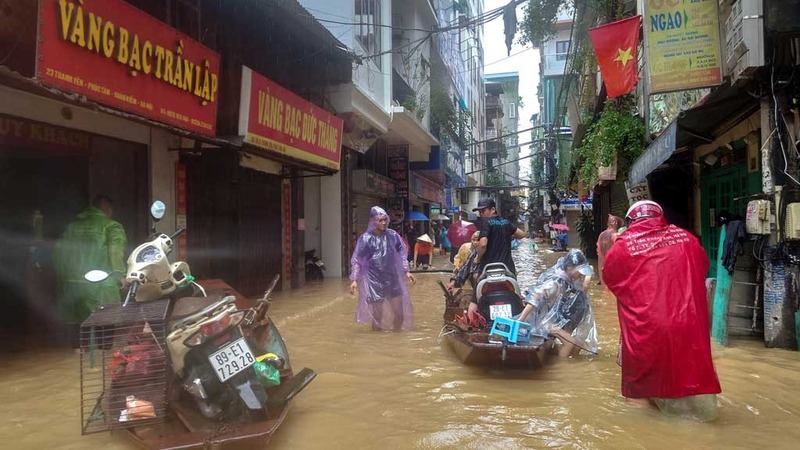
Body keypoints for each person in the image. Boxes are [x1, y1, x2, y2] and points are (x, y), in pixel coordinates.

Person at [603, 200, 721, 420]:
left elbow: (611, 280)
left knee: (640, 389)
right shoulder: (687, 239)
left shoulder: (622, 245)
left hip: (646, 328)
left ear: (631, 221)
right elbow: (702, 268)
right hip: (689, 324)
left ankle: (645, 436)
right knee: (691, 379)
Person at [53, 195, 128, 349]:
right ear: (108, 209)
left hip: (73, 284)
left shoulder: (72, 227)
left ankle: (77, 353)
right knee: (106, 318)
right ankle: (103, 352)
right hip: (101, 283)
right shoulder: (111, 226)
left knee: (78, 321)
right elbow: (115, 251)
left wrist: (64, 277)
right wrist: (120, 275)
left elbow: (59, 252)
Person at [517, 249, 598, 358]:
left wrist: (588, 275)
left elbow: (584, 290)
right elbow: (534, 297)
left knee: (578, 343)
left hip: (554, 320)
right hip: (543, 322)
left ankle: (566, 360)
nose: (581, 274)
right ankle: (561, 368)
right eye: (580, 270)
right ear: (569, 267)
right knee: (570, 342)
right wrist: (520, 320)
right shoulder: (555, 282)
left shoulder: (569, 279)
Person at [349, 207, 416, 331]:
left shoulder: (393, 235)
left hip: (392, 279)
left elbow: (402, 252)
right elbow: (358, 260)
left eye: (385, 219)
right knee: (377, 318)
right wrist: (354, 279)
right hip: (375, 281)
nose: (384, 223)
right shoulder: (366, 239)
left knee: (399, 315)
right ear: (373, 221)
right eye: (380, 220)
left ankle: (396, 339)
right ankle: (378, 344)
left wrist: (406, 271)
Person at [472, 198, 526, 276]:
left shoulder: (486, 223)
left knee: (477, 282)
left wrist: (478, 258)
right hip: (507, 269)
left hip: (489, 269)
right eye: (480, 212)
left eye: (483, 211)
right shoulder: (506, 222)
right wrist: (507, 234)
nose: (481, 214)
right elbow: (522, 234)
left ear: (493, 209)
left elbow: (483, 245)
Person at [596, 214, 624, 285]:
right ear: (616, 224)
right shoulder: (615, 235)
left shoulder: (602, 234)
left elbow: (599, 251)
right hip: (612, 266)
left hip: (603, 266)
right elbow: (620, 251)